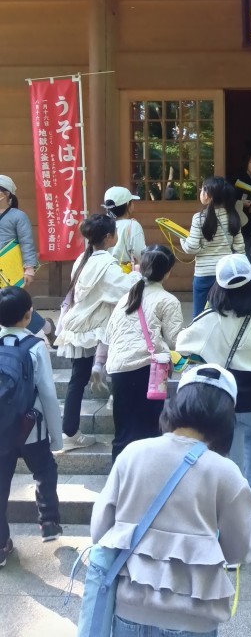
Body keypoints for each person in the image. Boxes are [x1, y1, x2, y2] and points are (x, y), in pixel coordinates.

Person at [90, 363, 251, 637]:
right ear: (226, 417)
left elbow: (99, 531)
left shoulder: (132, 454)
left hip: (130, 609)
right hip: (194, 618)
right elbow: (239, 551)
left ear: (176, 404)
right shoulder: (226, 473)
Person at [175, 254, 251, 523]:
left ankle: (236, 510)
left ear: (218, 289)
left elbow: (182, 343)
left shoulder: (210, 320)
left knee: (231, 452)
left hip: (228, 398)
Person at [56, 214, 140, 451]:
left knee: (77, 379)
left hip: (79, 327)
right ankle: (115, 428)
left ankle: (69, 432)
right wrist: (137, 273)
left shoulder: (82, 260)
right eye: (115, 232)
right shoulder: (106, 265)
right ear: (109, 237)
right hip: (95, 328)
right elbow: (125, 290)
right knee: (113, 372)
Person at [0, 286, 63, 564]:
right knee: (45, 471)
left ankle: (1, 547)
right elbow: (47, 393)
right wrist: (57, 437)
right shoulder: (36, 346)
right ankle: (49, 523)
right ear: (29, 314)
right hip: (31, 429)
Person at [105, 245, 183, 463]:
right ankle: (148, 479)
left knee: (123, 432)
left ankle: (120, 479)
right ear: (168, 272)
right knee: (150, 432)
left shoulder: (127, 297)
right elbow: (175, 340)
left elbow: (109, 333)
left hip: (119, 368)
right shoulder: (168, 300)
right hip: (149, 370)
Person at [181, 176, 245, 318]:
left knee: (200, 315)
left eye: (202, 189)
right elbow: (240, 248)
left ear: (208, 195)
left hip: (204, 273)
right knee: (225, 313)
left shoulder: (199, 218)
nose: (200, 192)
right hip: (226, 273)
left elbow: (191, 247)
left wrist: (182, 240)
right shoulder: (233, 216)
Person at [0, 174, 53, 338]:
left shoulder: (18, 216)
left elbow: (27, 243)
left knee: (14, 304)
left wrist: (29, 268)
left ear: (6, 194)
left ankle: (47, 328)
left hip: (9, 270)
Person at [102, 185, 146, 271]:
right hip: (123, 272)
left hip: (104, 271)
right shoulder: (133, 225)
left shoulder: (102, 223)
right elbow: (140, 254)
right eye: (132, 202)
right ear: (127, 204)